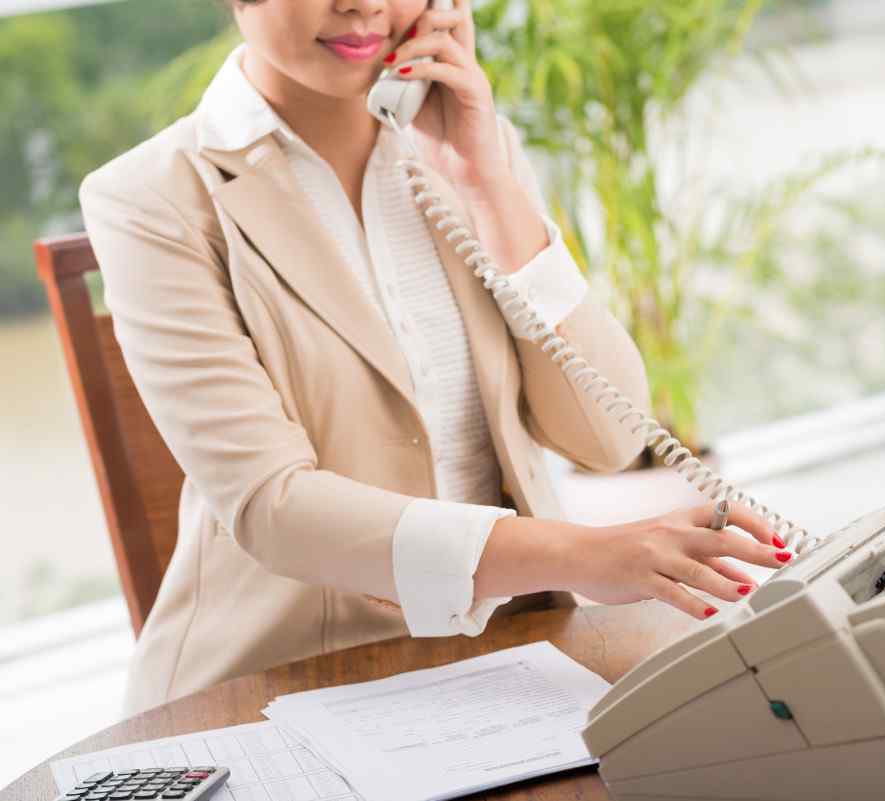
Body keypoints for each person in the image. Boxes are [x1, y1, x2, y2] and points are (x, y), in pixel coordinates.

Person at [78, 0, 794, 717]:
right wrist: (587, 553)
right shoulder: (149, 201)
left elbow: (608, 438)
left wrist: (486, 182)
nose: (362, 5)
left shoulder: (473, 150)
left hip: (516, 660)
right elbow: (274, 505)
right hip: (280, 687)